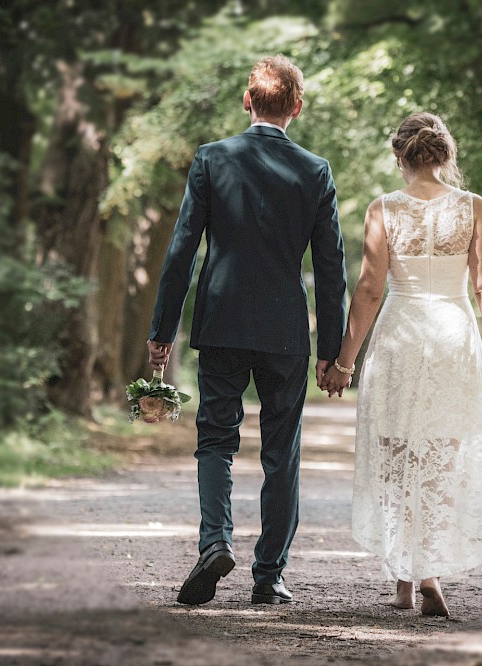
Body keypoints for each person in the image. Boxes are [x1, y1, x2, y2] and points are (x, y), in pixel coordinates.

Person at [147, 55, 347, 606]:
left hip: (222, 320)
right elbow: (332, 267)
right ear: (297, 108)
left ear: (246, 100)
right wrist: (333, 349)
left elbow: (182, 248)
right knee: (282, 451)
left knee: (216, 438)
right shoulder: (315, 171)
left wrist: (163, 325)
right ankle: (269, 575)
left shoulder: (213, 159)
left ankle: (215, 541)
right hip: (285, 329)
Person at [321, 112, 482, 617]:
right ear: (445, 155)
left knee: (395, 451)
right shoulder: (473, 207)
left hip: (400, 335)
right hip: (454, 336)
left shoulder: (383, 209)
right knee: (439, 454)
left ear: (400, 157)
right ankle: (422, 569)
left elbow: (369, 289)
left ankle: (408, 577)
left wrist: (344, 361)